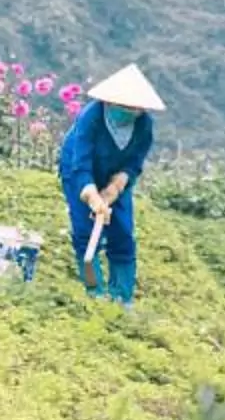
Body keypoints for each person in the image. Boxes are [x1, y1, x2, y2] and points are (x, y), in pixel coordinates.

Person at [57, 64, 162, 305]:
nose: (127, 111)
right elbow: (80, 162)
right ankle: (95, 292)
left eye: (133, 108)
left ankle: (121, 296)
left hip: (115, 179)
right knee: (86, 232)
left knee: (122, 232)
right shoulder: (91, 117)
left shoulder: (144, 125)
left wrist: (114, 189)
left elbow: (134, 163)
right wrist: (93, 197)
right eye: (122, 106)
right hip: (79, 171)